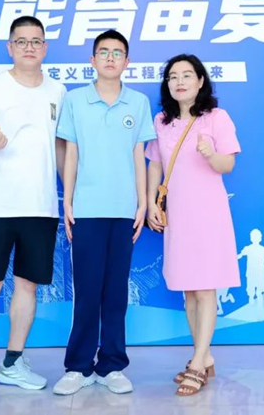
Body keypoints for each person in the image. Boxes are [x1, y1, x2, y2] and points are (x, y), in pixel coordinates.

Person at [0, 16, 67, 407]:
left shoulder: (59, 91)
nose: (29, 47)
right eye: (21, 41)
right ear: (10, 47)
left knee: (27, 286)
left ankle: (13, 362)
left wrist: (71, 194)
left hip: (41, 206)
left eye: (36, 41)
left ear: (45, 48)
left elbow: (61, 148)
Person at [52, 30, 156, 396]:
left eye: (117, 53)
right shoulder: (76, 100)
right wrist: (68, 200)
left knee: (115, 292)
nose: (110, 58)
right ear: (92, 60)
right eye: (104, 52)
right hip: (86, 208)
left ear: (127, 62)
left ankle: (111, 364)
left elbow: (139, 155)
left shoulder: (138, 103)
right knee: (87, 290)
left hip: (124, 209)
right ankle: (78, 366)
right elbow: (71, 153)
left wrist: (142, 203)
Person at [145, 54, 241, 397]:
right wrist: (152, 203)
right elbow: (155, 165)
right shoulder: (161, 121)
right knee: (188, 290)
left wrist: (210, 154)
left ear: (201, 81)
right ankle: (205, 355)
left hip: (208, 213)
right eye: (173, 76)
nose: (180, 81)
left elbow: (227, 165)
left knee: (204, 289)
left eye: (187, 75)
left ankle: (198, 362)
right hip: (178, 214)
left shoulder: (216, 118)